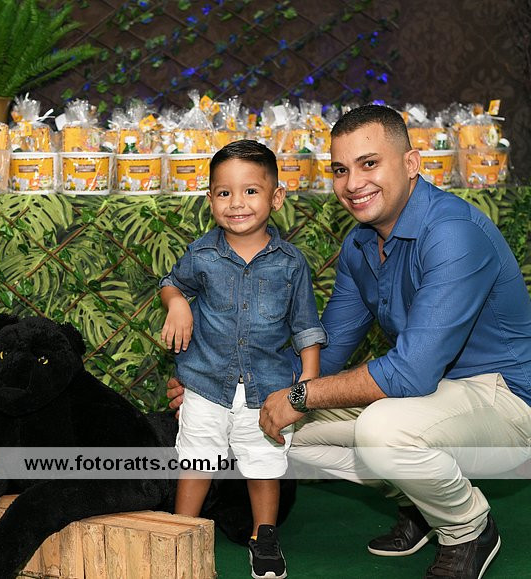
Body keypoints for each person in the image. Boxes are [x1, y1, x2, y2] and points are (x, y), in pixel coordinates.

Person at [168, 105, 531, 579]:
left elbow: (411, 371)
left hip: (505, 396)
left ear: (411, 163)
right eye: (341, 169)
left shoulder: (453, 234)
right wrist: (225, 386)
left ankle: (467, 528)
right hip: (431, 396)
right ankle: (422, 503)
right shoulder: (361, 244)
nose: (353, 183)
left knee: (380, 430)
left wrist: (298, 396)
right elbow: (333, 346)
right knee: (268, 428)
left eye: (369, 163)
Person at [159, 139, 326, 579]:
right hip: (205, 382)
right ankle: (181, 532)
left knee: (263, 462)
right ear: (210, 198)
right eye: (224, 192)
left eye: (251, 191)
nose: (236, 203)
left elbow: (305, 325)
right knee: (197, 458)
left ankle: (263, 536)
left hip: (267, 387)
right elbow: (171, 283)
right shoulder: (201, 254)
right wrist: (177, 303)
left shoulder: (291, 264)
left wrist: (307, 383)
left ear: (277, 197)